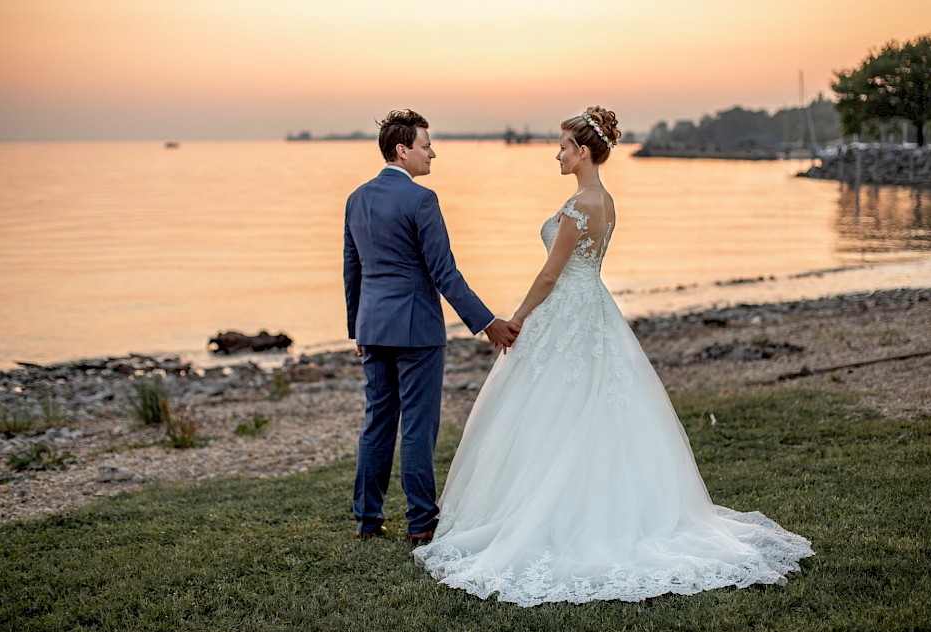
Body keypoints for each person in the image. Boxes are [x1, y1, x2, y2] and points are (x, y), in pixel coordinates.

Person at [412, 106, 814, 606]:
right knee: (593, 404)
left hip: (566, 310)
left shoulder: (580, 204)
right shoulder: (607, 201)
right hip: (595, 309)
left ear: (583, 151)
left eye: (562, 146)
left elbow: (549, 276)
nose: (556, 155)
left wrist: (513, 320)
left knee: (555, 407)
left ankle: (553, 512)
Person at [343, 109, 520, 544]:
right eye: (426, 146)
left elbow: (352, 270)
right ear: (402, 151)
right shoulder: (422, 200)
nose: (432, 154)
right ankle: (421, 521)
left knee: (377, 422)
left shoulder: (356, 198)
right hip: (417, 331)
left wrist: (357, 330)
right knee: (418, 427)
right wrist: (488, 323)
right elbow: (445, 273)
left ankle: (368, 520)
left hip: (373, 329)